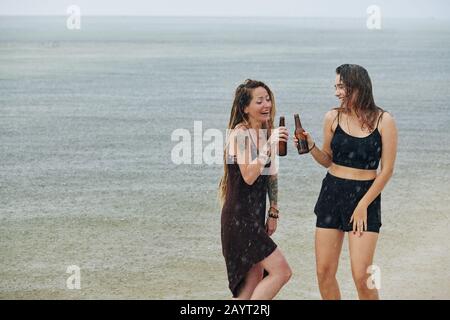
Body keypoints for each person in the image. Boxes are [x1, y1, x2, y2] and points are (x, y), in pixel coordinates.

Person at [294, 64, 398, 299]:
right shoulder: (333, 117)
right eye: (336, 87)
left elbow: (387, 170)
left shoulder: (384, 120)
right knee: (324, 272)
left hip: (365, 197)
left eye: (341, 86)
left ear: (356, 85)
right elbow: (328, 161)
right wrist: (311, 146)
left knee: (362, 276)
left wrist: (362, 205)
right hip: (332, 193)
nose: (337, 92)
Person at [219, 79, 292, 299]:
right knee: (281, 271)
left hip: (254, 216)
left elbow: (271, 176)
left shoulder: (265, 132)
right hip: (239, 219)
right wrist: (268, 147)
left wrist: (274, 211)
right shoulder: (240, 134)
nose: (266, 104)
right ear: (245, 108)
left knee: (252, 283)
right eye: (259, 101)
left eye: (268, 99)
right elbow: (249, 176)